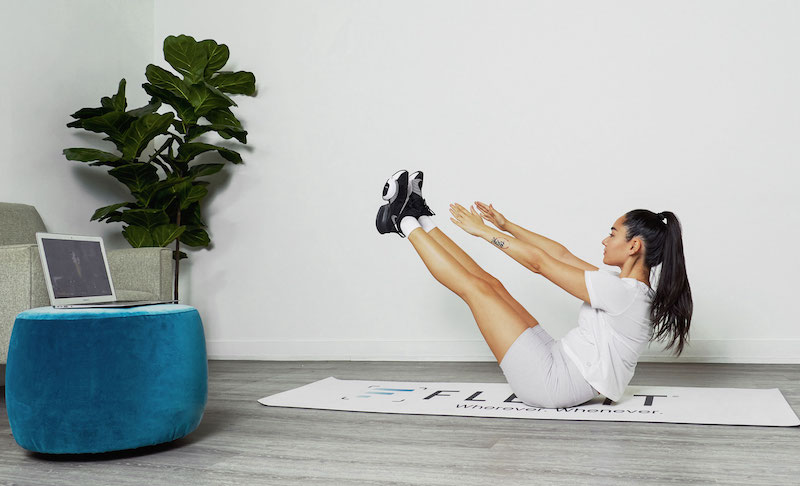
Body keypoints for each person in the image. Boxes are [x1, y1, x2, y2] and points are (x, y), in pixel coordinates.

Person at [376, 170, 693, 408]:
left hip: (552, 382)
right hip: (557, 361)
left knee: (476, 290)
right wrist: (506, 225)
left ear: (633, 246)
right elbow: (560, 255)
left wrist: (484, 233)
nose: (605, 240)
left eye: (612, 233)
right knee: (491, 286)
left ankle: (402, 221)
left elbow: (541, 265)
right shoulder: (626, 289)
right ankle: (420, 216)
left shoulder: (623, 295)